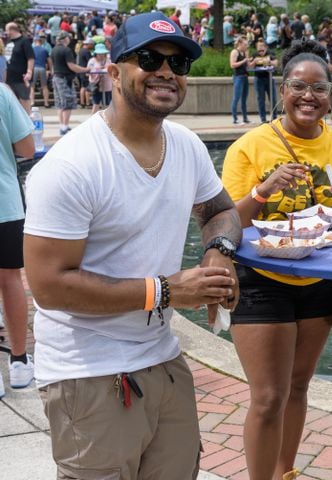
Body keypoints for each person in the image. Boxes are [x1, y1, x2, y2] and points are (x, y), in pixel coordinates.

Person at [23, 12, 242, 478]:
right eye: (149, 58)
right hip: (88, 371)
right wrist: (164, 291)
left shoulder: (186, 146)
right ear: (115, 71)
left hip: (161, 358)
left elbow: (220, 210)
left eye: (178, 63)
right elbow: (48, 286)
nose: (166, 71)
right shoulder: (72, 165)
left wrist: (218, 255)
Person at [221, 39, 332, 480]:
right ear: (282, 91)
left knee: (298, 387)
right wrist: (264, 190)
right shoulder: (249, 146)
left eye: (319, 89)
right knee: (267, 397)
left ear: (330, 94)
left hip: (321, 280)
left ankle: (285, 472)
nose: (309, 97)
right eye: (299, 86)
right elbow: (224, 221)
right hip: (263, 277)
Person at [0, 84, 35, 398]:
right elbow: (27, 148)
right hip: (5, 203)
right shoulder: (1, 93)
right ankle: (19, 362)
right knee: (11, 280)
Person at [51, 31, 90, 135]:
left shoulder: (54, 49)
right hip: (64, 79)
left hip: (56, 77)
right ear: (65, 39)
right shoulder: (66, 50)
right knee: (67, 102)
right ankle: (64, 127)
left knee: (59, 103)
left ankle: (63, 125)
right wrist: (86, 69)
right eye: (68, 38)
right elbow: (72, 66)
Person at [4, 22, 35, 113]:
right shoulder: (8, 41)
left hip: (21, 77)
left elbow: (31, 58)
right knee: (11, 101)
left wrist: (29, 71)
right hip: (9, 78)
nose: (6, 33)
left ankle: (27, 119)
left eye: (6, 30)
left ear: (11, 30)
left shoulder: (24, 41)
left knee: (24, 98)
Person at [250, 39, 278, 123]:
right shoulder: (255, 54)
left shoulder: (270, 53)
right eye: (259, 47)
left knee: (273, 99)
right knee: (261, 99)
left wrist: (270, 61)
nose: (260, 48)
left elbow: (276, 63)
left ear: (265, 47)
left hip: (269, 78)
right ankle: (263, 119)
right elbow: (250, 66)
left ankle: (274, 118)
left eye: (262, 46)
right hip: (259, 79)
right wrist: (254, 62)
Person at [229, 36, 251, 124]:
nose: (246, 46)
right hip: (238, 77)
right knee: (236, 97)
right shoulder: (235, 52)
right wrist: (244, 60)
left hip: (245, 76)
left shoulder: (245, 52)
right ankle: (235, 119)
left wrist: (251, 61)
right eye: (245, 44)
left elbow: (248, 65)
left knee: (244, 99)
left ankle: (245, 118)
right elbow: (232, 65)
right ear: (240, 44)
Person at [87, 43, 112, 113]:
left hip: (107, 85)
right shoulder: (92, 61)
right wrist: (98, 69)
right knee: (96, 103)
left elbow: (111, 68)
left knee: (108, 103)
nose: (101, 55)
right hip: (96, 85)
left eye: (103, 53)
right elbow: (89, 70)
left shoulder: (108, 60)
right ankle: (92, 119)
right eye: (99, 54)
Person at [31, 35, 52, 108]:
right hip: (42, 68)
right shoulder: (44, 50)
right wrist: (50, 69)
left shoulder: (32, 49)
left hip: (34, 68)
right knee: (44, 86)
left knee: (32, 86)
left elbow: (30, 60)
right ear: (40, 42)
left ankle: (32, 102)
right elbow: (49, 61)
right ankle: (46, 103)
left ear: (35, 41)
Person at [77, 38, 95, 109]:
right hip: (85, 71)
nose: (93, 46)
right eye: (92, 45)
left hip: (80, 71)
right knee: (87, 87)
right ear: (89, 44)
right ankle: (87, 103)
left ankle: (82, 102)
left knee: (82, 87)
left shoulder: (81, 50)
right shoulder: (86, 51)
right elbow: (90, 61)